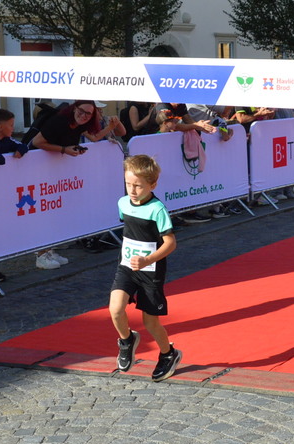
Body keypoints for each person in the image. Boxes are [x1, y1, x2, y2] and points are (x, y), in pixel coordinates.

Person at [110, 153, 183, 382]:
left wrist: (147, 260)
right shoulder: (123, 203)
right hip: (126, 266)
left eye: (138, 186)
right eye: (128, 184)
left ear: (153, 185)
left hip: (151, 272)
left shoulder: (157, 209)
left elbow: (171, 243)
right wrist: (134, 258)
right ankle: (127, 340)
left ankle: (168, 354)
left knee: (150, 322)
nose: (132, 190)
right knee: (115, 309)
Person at [29, 100, 96, 268]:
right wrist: (64, 150)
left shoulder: (79, 125)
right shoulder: (59, 121)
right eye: (81, 111)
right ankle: (41, 255)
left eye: (89, 113)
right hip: (37, 168)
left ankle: (48, 250)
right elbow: (37, 142)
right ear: (74, 108)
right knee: (44, 211)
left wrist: (74, 148)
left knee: (55, 212)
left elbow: (74, 140)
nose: (84, 115)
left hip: (54, 170)